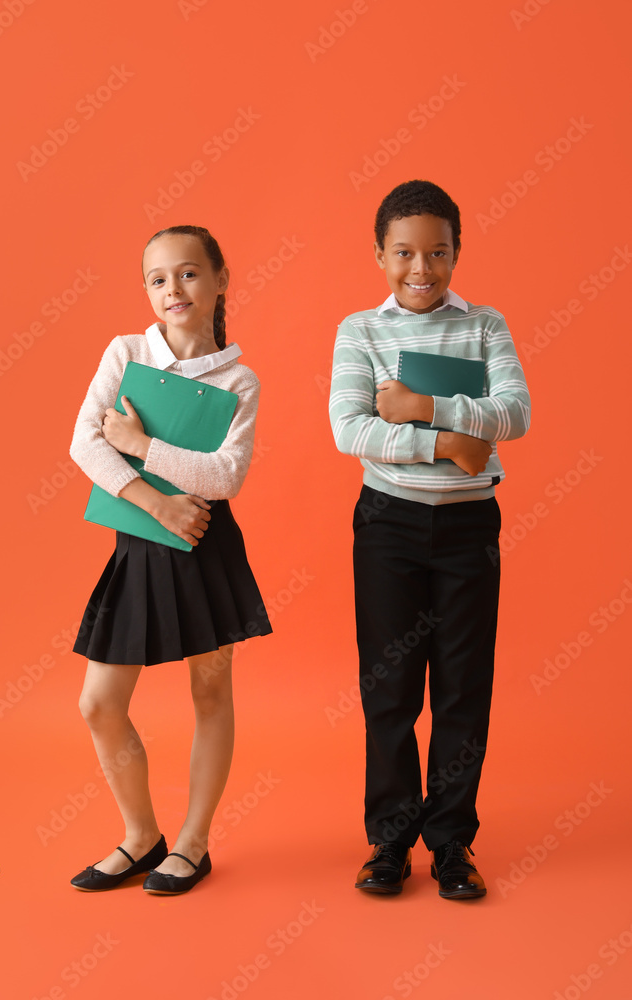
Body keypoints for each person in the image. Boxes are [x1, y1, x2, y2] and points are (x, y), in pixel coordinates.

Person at [329, 180, 530, 899]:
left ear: (455, 253)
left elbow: (513, 413)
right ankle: (388, 842)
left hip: (468, 528)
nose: (421, 268)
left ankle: (450, 844)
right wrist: (452, 440)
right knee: (388, 689)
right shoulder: (360, 331)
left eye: (437, 252)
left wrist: (419, 409)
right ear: (379, 254)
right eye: (404, 253)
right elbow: (349, 430)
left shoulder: (484, 325)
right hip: (388, 526)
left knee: (460, 689)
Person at [68, 224, 272, 895]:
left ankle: (192, 842)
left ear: (219, 279)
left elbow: (224, 476)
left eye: (187, 273)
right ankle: (140, 836)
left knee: (209, 692)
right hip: (143, 540)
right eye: (157, 279)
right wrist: (157, 503)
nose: (172, 289)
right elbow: (84, 446)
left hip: (204, 545)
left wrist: (141, 444)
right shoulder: (126, 353)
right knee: (99, 703)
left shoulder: (238, 378)